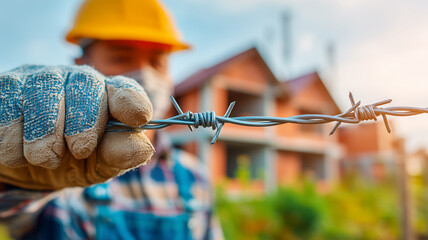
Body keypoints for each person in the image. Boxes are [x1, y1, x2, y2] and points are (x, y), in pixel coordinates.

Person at [0, 0, 223, 239]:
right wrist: (14, 183)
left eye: (157, 62)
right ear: (82, 67)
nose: (145, 74)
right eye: (121, 58)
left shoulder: (194, 177)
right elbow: (13, 218)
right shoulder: (58, 162)